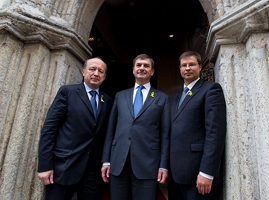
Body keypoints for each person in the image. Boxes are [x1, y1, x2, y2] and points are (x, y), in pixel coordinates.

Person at [38, 57, 112, 200]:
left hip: (93, 171)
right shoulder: (68, 92)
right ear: (84, 72)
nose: (96, 73)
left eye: (100, 71)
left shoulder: (107, 100)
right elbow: (49, 129)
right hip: (65, 167)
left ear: (104, 76)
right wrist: (45, 165)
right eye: (92, 69)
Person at [101, 54, 170, 200]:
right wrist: (106, 160)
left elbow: (165, 134)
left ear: (152, 71)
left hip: (147, 164)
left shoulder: (162, 98)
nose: (142, 68)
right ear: (133, 70)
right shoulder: (120, 96)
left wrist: (163, 165)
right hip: (118, 163)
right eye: (138, 65)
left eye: (146, 66)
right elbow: (110, 130)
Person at [168, 51, 226, 200]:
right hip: (175, 176)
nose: (187, 68)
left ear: (200, 67)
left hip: (198, 176)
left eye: (191, 64)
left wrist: (207, 172)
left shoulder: (211, 89)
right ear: (180, 69)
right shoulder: (175, 97)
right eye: (184, 65)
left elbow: (215, 133)